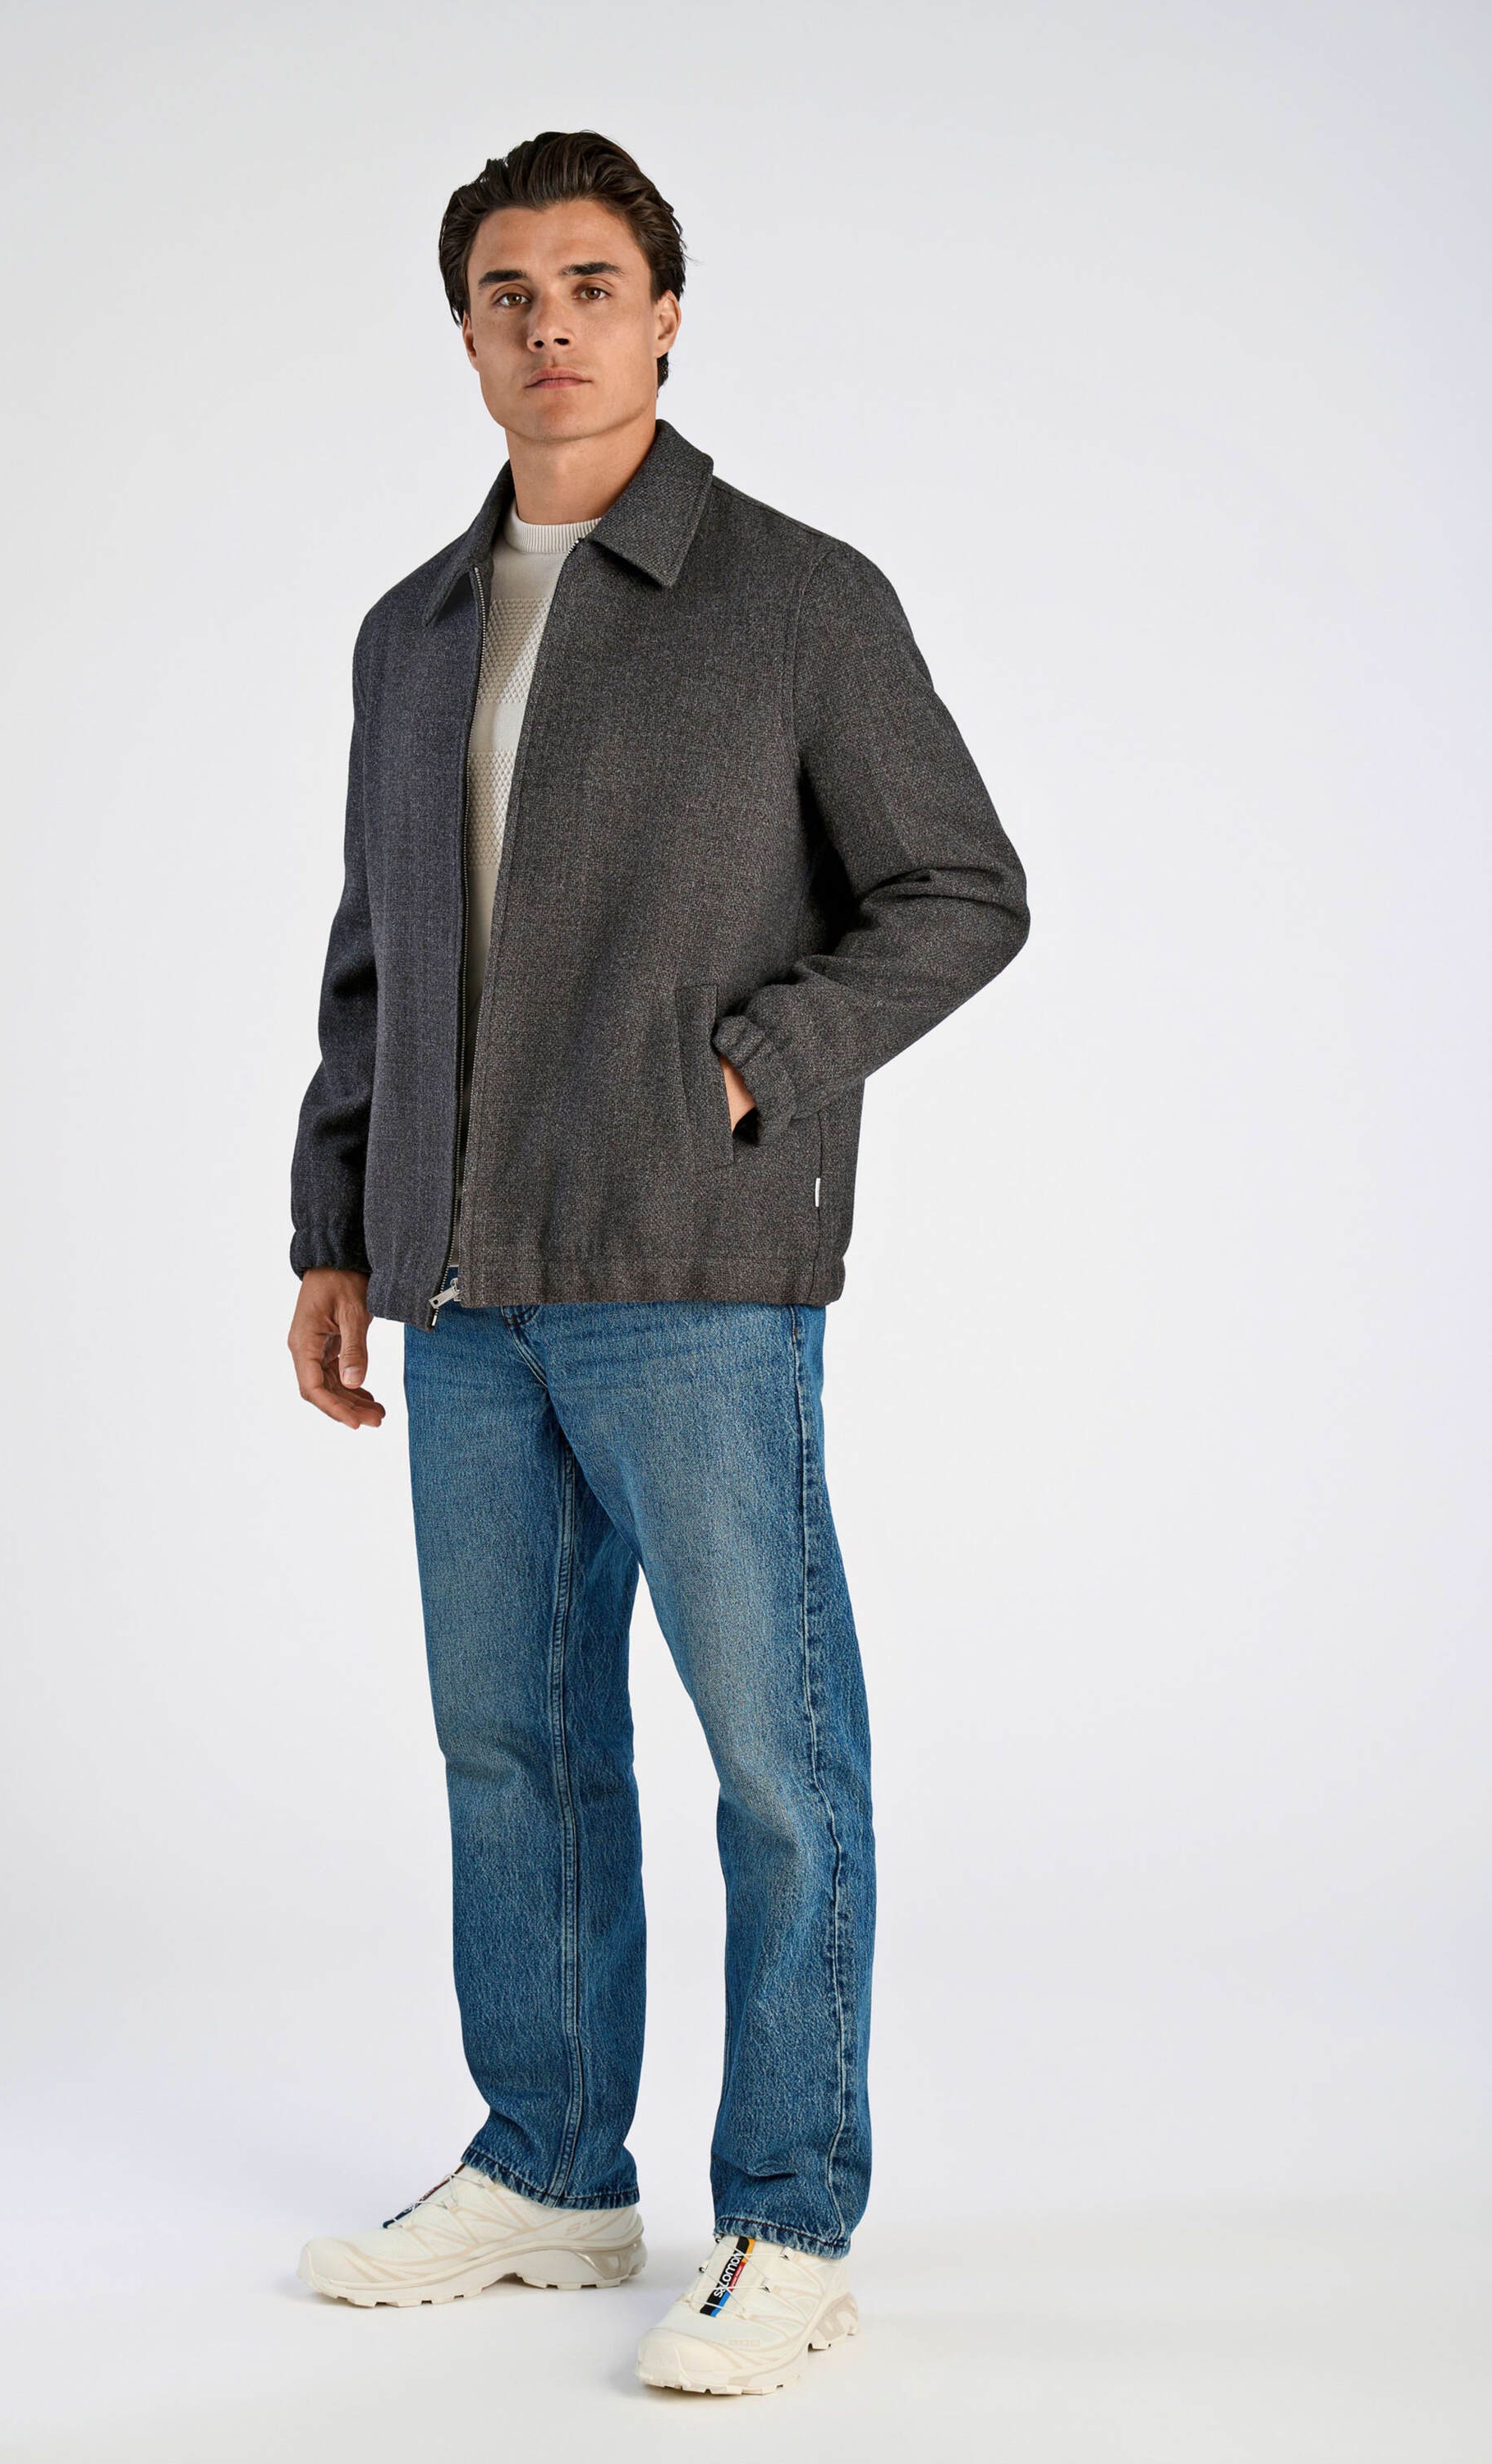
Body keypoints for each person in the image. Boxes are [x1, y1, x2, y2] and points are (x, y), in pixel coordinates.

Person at [285, 128, 1030, 2398]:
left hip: (692, 1273)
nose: (549, 326)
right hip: (460, 1280)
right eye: (506, 292)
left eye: (590, 285)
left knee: (775, 1762)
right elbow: (376, 960)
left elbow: (959, 891)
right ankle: (548, 2167)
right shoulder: (413, 631)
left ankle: (790, 2215)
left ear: (667, 314)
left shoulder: (793, 598)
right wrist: (334, 1225)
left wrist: (751, 1066)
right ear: (466, 333)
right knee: (510, 1745)